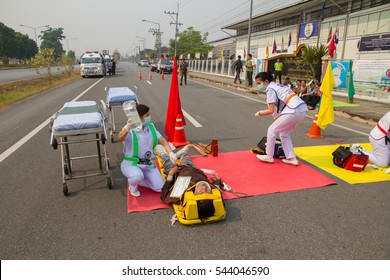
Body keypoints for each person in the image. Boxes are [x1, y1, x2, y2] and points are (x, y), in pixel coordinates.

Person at [118, 104, 177, 197]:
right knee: (137, 176)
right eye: (147, 115)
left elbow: (163, 142)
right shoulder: (130, 130)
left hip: (147, 164)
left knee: (160, 188)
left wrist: (170, 153)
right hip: (131, 164)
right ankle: (133, 186)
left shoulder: (151, 127)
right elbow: (120, 139)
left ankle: (141, 178)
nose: (149, 117)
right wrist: (127, 127)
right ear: (140, 118)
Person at [254, 72, 308, 166]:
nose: (258, 86)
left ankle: (269, 156)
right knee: (284, 134)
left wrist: (259, 113)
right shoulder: (278, 86)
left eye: (259, 83)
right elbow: (278, 108)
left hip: (292, 110)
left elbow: (270, 110)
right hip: (302, 110)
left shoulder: (270, 89)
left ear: (266, 81)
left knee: (272, 130)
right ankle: (291, 158)